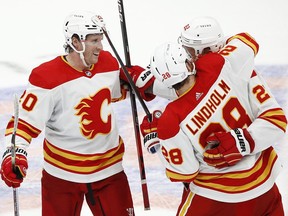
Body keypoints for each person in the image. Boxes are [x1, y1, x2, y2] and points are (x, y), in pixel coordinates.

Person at [0, 10, 153, 216]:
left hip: (109, 172)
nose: (100, 46)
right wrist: (15, 153)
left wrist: (142, 83)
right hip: (61, 176)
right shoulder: (46, 77)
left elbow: (119, 91)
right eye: (94, 40)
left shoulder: (108, 63)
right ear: (75, 42)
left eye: (101, 39)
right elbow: (24, 123)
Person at [140, 35, 287, 215]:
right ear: (188, 64)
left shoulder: (169, 120)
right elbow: (247, 41)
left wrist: (156, 141)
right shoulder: (216, 64)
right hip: (263, 184)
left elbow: (184, 173)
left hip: (215, 197)